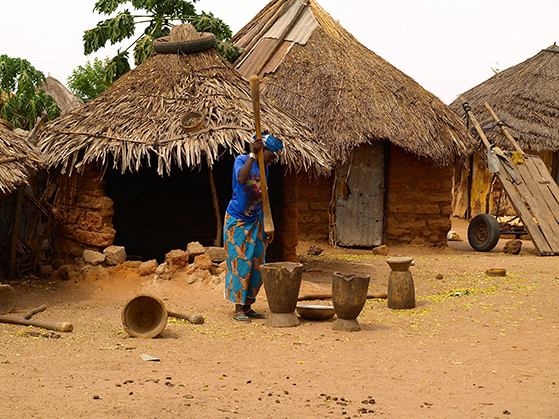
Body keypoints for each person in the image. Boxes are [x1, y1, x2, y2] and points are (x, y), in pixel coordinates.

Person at [224, 133, 283, 322]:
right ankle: (238, 308)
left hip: (256, 220)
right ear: (262, 150)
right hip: (238, 220)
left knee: (257, 263)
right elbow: (241, 179)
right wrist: (252, 155)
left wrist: (268, 225)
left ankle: (248, 306)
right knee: (241, 263)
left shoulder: (265, 169)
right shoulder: (241, 161)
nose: (272, 161)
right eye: (271, 156)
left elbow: (263, 199)